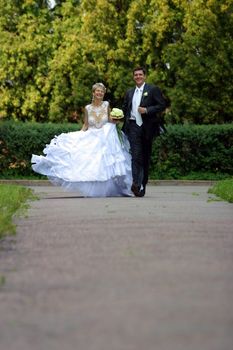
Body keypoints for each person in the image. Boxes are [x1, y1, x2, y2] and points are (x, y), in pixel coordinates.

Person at [31, 83, 132, 197]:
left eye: (102, 91)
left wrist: (115, 120)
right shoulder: (87, 108)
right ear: (93, 93)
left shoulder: (106, 105)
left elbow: (109, 119)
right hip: (92, 137)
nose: (100, 93)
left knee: (103, 164)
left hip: (104, 138)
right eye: (97, 91)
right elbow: (86, 124)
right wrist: (78, 136)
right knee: (91, 163)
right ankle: (94, 189)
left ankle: (108, 188)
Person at [122, 67, 167, 197]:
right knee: (136, 155)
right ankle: (136, 183)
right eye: (135, 75)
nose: (138, 76)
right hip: (133, 126)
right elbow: (125, 107)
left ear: (145, 76)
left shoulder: (152, 90)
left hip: (147, 127)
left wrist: (147, 110)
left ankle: (143, 184)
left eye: (140, 74)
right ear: (133, 77)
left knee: (145, 157)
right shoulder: (129, 92)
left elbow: (161, 105)